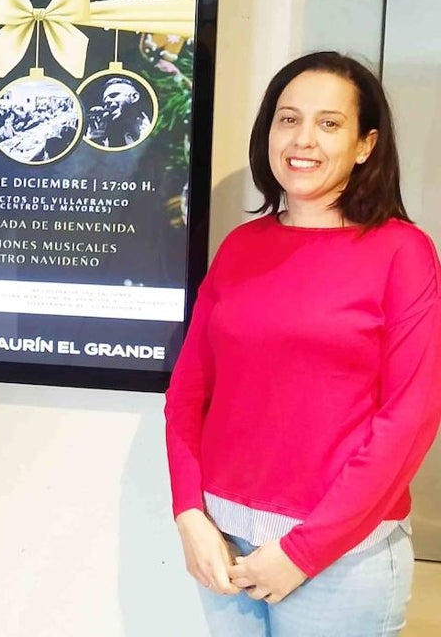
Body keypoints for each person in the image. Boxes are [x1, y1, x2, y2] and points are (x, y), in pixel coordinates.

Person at [165, 51, 441, 636]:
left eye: (330, 123)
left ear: (366, 145)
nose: (303, 139)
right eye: (288, 119)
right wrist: (189, 512)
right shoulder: (243, 246)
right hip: (225, 542)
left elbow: (410, 419)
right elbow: (188, 394)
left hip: (341, 558)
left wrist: (302, 552)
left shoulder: (402, 252)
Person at [86, 76, 151, 148]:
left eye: (113, 95)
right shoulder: (109, 137)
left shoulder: (157, 126)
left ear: (134, 97)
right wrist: (94, 138)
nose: (107, 102)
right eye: (105, 103)